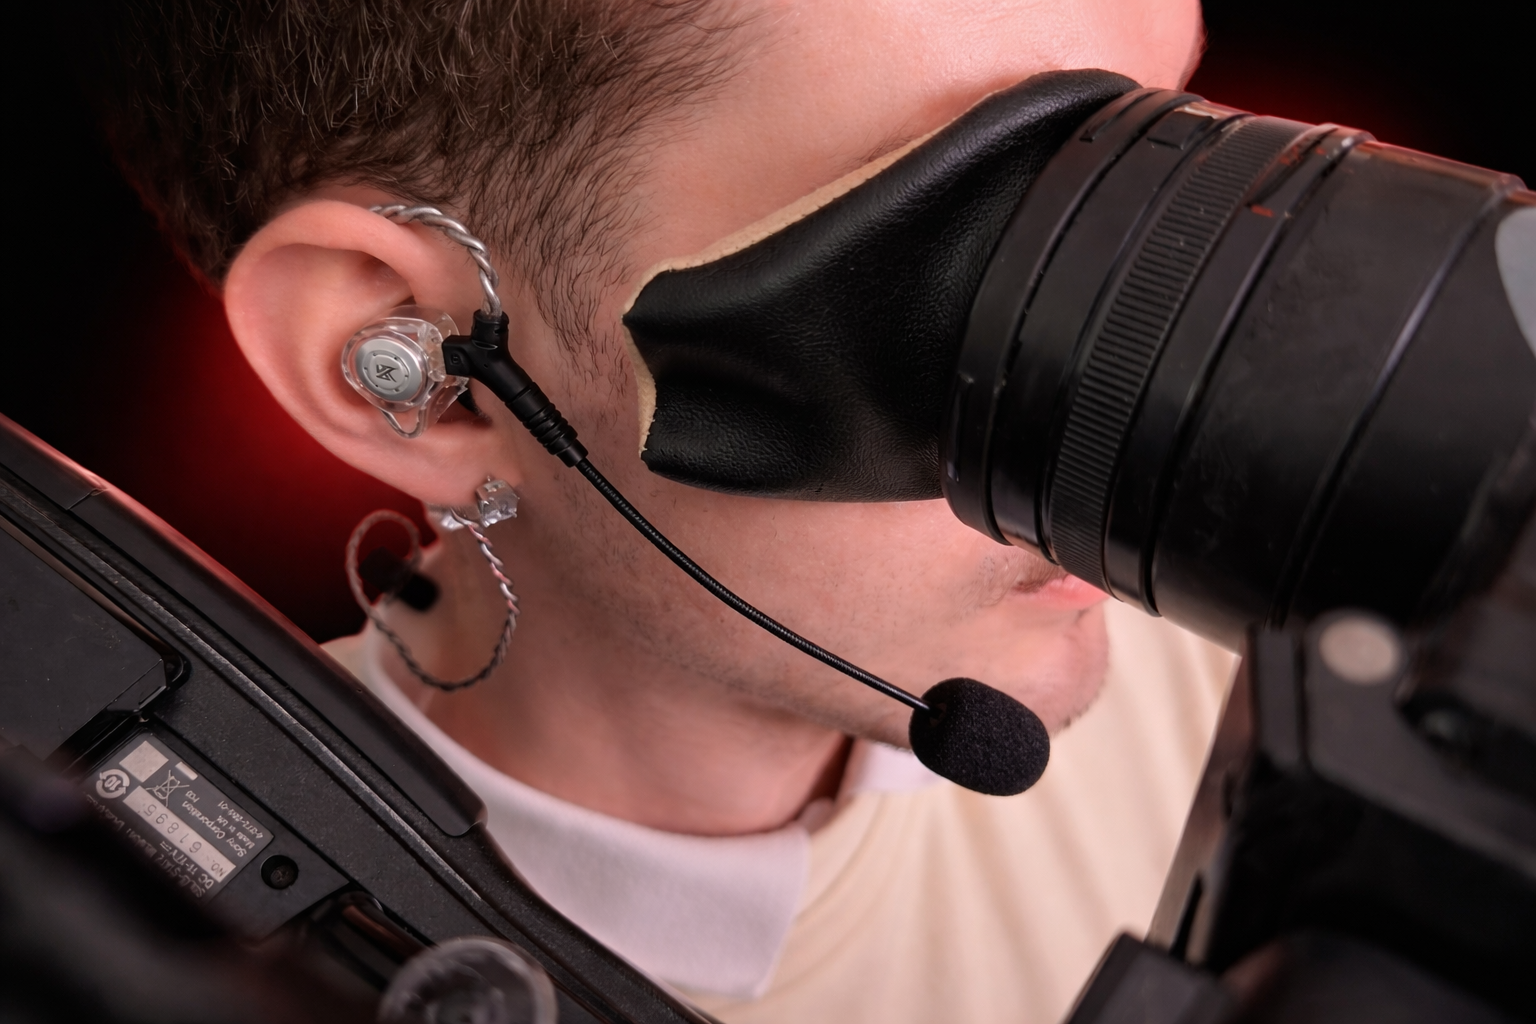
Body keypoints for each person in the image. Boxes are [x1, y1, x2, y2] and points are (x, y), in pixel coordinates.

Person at [95, 1, 1233, 1020]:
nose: (1152, 407)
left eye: (1177, 171)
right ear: (425, 371)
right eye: (975, 256)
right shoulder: (185, 959)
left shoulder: (1245, 648)